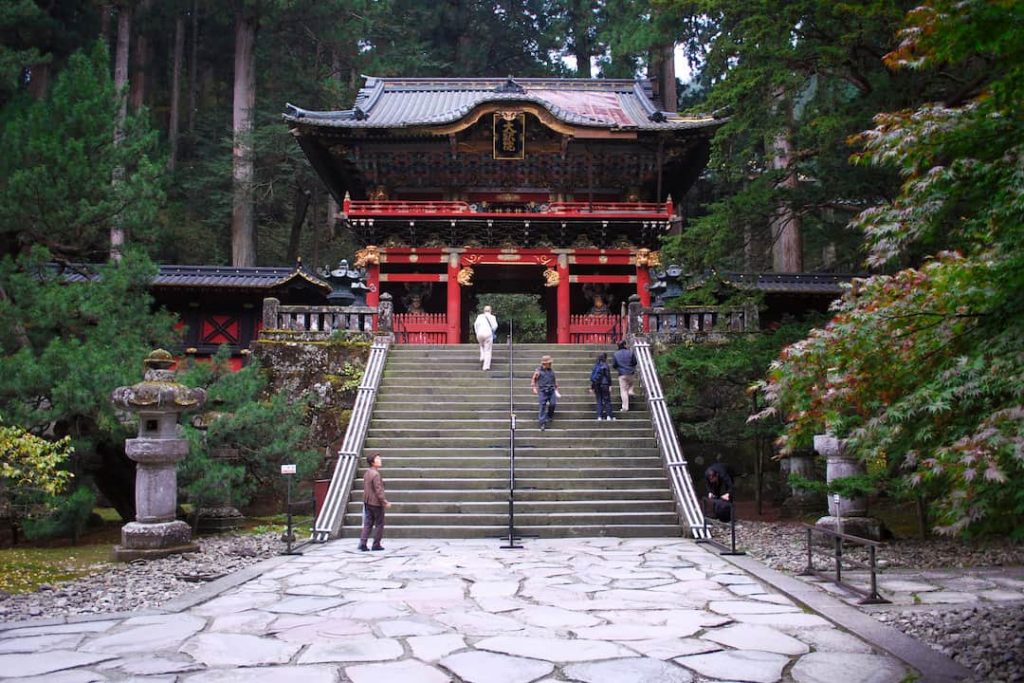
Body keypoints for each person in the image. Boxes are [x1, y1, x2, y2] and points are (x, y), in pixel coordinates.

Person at [358, 452, 391, 551]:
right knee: (379, 524)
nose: (380, 460)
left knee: (368, 523)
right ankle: (376, 544)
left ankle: (363, 542)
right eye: (378, 459)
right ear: (372, 462)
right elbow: (378, 490)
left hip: (367, 501)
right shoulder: (376, 474)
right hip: (376, 503)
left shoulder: (367, 473)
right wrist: (385, 502)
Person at [531, 355, 559, 431]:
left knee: (553, 403)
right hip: (543, 390)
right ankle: (542, 423)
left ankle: (550, 416)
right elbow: (534, 379)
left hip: (551, 389)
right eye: (549, 363)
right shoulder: (538, 371)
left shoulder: (551, 371)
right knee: (542, 406)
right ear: (544, 364)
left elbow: (554, 379)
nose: (550, 364)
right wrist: (534, 387)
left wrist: (556, 387)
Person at [611, 340, 638, 412]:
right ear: (625, 345)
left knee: (623, 391)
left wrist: (619, 368)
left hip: (622, 374)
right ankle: (631, 390)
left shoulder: (616, 354)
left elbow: (614, 365)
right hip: (631, 372)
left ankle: (625, 407)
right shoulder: (630, 352)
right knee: (631, 383)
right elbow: (634, 362)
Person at [589, 352, 614, 421]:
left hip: (597, 385)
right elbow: (608, 376)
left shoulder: (596, 366)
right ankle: (609, 416)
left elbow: (594, 378)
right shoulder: (606, 366)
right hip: (605, 384)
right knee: (607, 400)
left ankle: (599, 416)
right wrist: (610, 385)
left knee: (599, 400)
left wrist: (592, 387)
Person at [473, 305, 498, 371]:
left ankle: (482, 356)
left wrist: (477, 332)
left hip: (479, 333)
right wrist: (491, 330)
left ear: (484, 311)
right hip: (488, 334)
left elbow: (475, 325)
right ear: (490, 310)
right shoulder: (492, 317)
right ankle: (486, 366)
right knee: (488, 350)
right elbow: (495, 326)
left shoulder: (479, 316)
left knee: (481, 345)